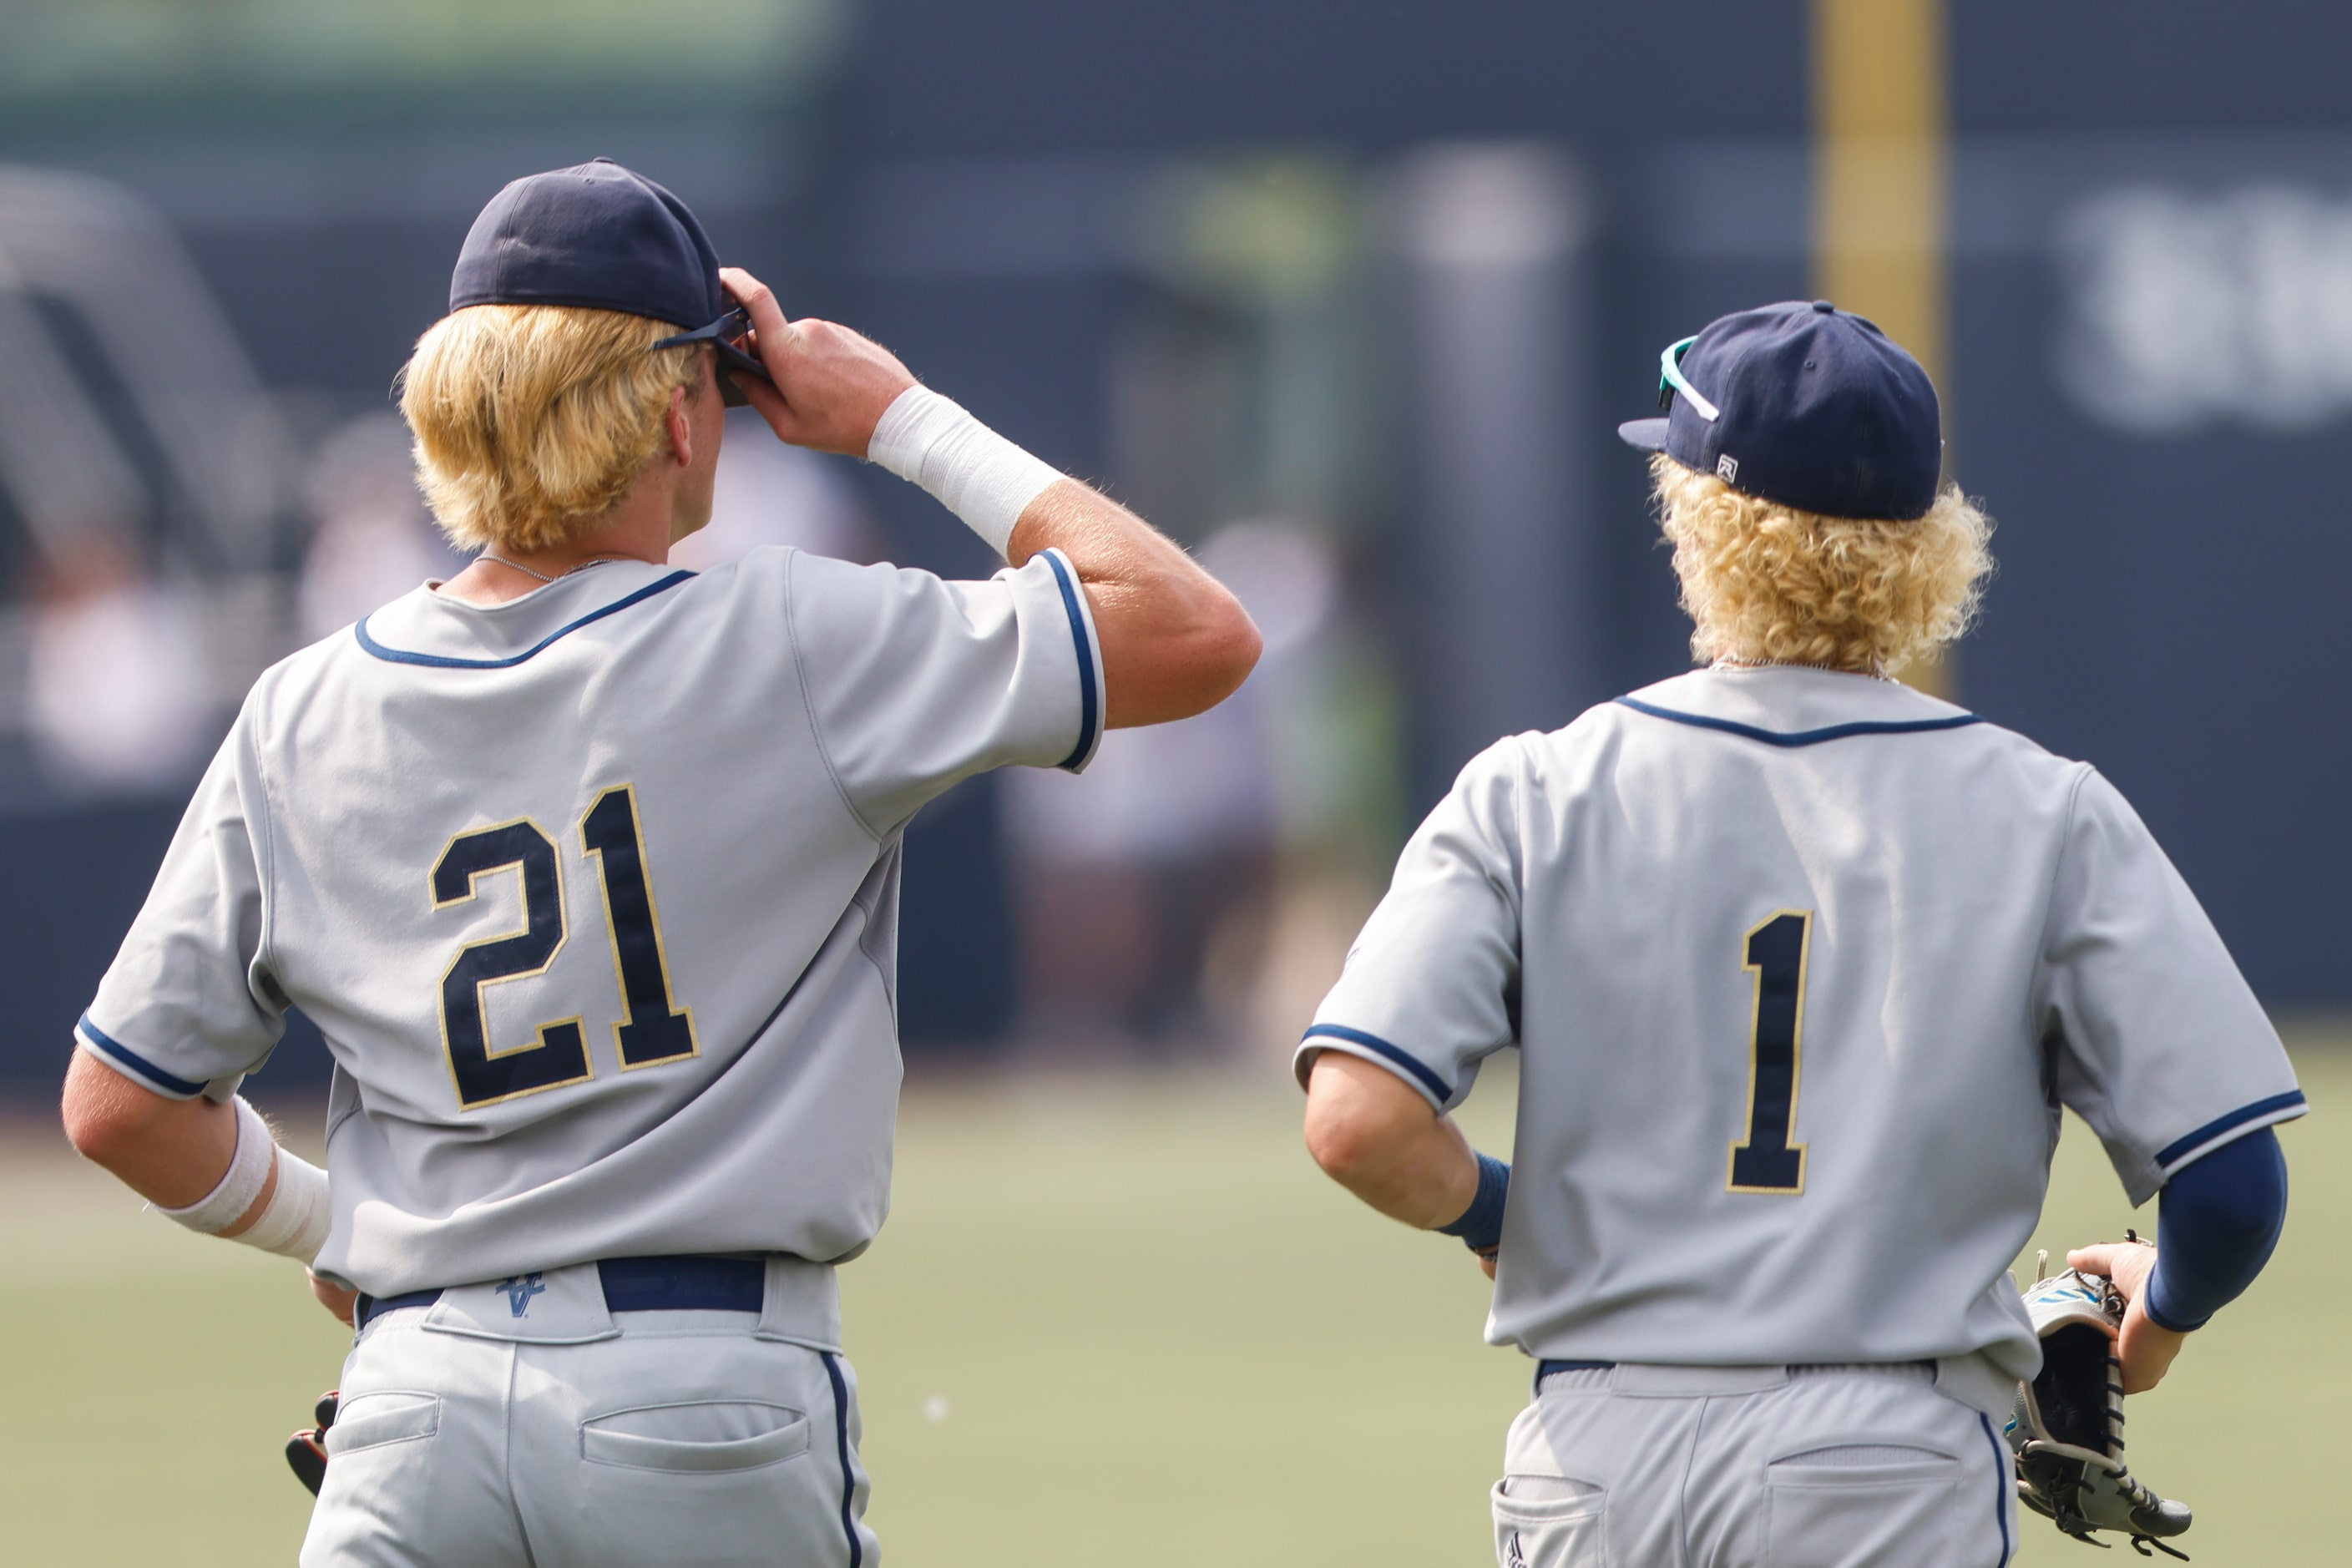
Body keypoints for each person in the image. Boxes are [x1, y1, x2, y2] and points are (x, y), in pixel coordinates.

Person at [58, 159, 1259, 1567]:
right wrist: (900, 421)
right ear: (685, 413)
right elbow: (1191, 630)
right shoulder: (791, 640)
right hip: (700, 1397)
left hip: (410, 1403)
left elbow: (122, 1101)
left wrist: (346, 1232)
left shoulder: (300, 707)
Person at [1293, 301, 2300, 1567]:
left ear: (1698, 521)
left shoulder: (1535, 786)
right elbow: (2229, 1188)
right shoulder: (2044, 809)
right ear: (1929, 543)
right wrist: (2150, 1318)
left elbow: (1358, 1117)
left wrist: (1501, 1212)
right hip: (1884, 1461)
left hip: (1597, 1458)